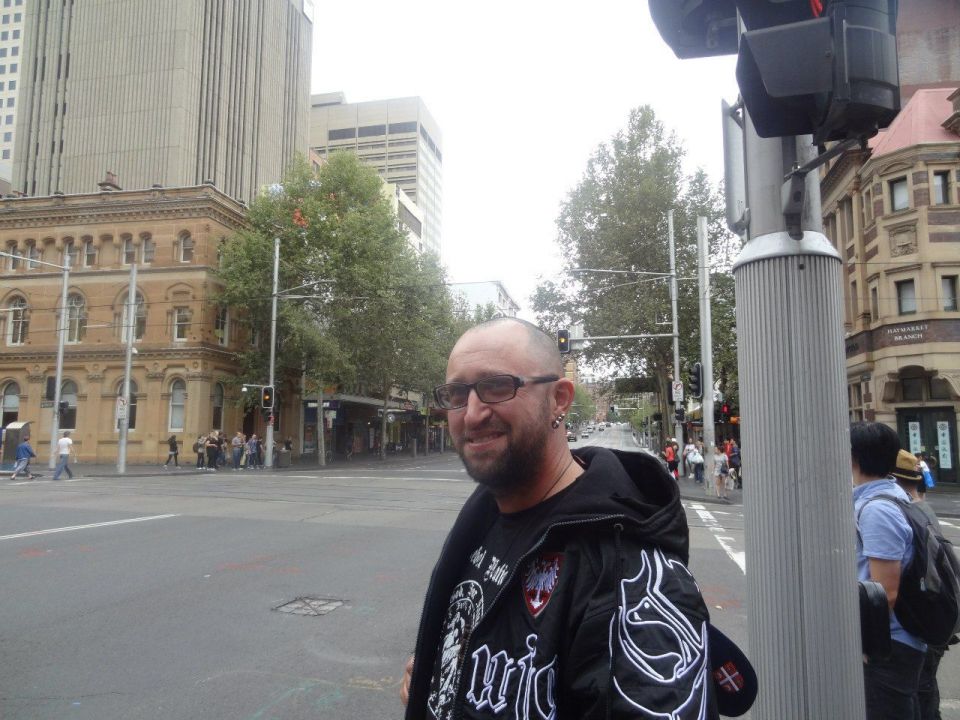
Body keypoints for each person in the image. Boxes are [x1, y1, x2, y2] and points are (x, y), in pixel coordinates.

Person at [401, 317, 720, 719]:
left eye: (497, 386)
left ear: (560, 400)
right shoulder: (483, 517)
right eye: (457, 393)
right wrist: (442, 686)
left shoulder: (630, 579)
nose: (472, 414)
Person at [851, 421, 925, 720]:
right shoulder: (891, 494)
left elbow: (885, 593)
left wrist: (867, 647)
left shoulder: (877, 510)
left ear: (854, 457)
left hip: (888, 647)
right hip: (894, 643)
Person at [890, 449, 952, 720]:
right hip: (935, 620)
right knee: (925, 692)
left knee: (920, 695)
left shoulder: (907, 513)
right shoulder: (922, 510)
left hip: (919, 623)